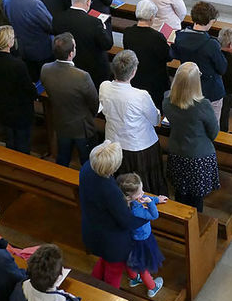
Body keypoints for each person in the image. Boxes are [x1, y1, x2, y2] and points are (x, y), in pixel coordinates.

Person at [99, 50, 168, 195]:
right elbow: (155, 120)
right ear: (133, 72)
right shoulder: (140, 95)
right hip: (139, 147)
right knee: (145, 184)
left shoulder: (104, 86)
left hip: (114, 143)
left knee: (121, 183)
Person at [78, 140, 143, 287]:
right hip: (111, 241)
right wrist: (147, 216)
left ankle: (94, 285)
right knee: (113, 273)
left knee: (104, 261)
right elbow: (126, 221)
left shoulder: (87, 168)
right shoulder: (109, 190)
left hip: (92, 228)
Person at [163, 62, 220, 212]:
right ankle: (193, 227)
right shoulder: (203, 106)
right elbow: (214, 132)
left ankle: (180, 222)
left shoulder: (167, 100)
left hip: (177, 151)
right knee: (196, 198)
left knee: (180, 193)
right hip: (198, 156)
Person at [41, 33, 100, 168]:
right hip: (82, 127)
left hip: (61, 122)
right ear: (71, 54)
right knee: (87, 162)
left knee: (63, 157)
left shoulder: (45, 69)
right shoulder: (82, 76)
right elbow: (94, 102)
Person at [0, 25, 37, 154]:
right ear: (8, 42)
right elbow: (29, 90)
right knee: (22, 142)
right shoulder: (17, 65)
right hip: (20, 110)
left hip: (2, 106)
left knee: (10, 138)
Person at [171, 1, 227, 118]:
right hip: (210, 91)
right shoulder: (211, 44)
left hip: (188, 87)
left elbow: (174, 54)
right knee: (212, 124)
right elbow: (222, 68)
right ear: (211, 21)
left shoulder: (179, 36)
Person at [52, 0, 113, 88]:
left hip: (69, 67)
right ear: (88, 2)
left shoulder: (58, 18)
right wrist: (106, 27)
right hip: (93, 70)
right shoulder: (94, 23)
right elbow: (107, 44)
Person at [117, 172, 166, 298]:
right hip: (142, 240)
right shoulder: (136, 210)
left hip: (127, 239)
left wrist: (156, 199)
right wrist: (151, 202)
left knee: (129, 260)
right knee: (142, 265)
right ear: (129, 197)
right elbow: (154, 215)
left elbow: (141, 198)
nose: (143, 193)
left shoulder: (121, 202)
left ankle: (134, 278)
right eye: (140, 192)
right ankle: (152, 287)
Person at [2, 0, 54, 81]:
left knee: (33, 77)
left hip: (24, 48)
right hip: (42, 50)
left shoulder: (6, 0)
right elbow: (51, 26)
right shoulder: (34, 4)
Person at [122, 0, 171, 108]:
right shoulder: (157, 37)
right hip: (155, 81)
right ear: (151, 17)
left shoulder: (128, 32)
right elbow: (168, 57)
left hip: (135, 77)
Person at [218, 28, 232, 132]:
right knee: (224, 113)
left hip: (216, 87)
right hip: (227, 91)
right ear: (230, 45)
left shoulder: (215, 54)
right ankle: (223, 132)